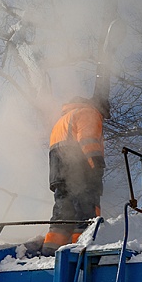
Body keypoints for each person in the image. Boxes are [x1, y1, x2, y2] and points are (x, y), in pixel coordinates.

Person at [41, 96, 108, 256]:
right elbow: (88, 139)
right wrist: (96, 164)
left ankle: (50, 251)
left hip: (59, 174)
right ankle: (80, 251)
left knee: (62, 214)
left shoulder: (62, 120)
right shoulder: (88, 112)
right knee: (86, 212)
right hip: (80, 171)